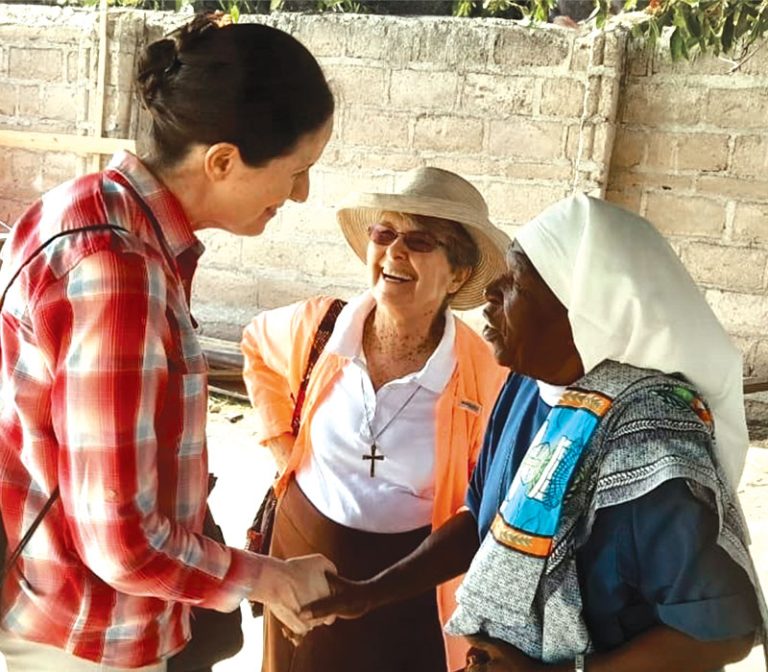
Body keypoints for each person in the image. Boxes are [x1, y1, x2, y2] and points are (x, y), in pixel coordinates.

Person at [304, 194, 767, 672]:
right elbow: (485, 517)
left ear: (584, 310)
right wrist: (371, 592)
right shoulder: (530, 385)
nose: (490, 293)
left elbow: (721, 633)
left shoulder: (650, 442)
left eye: (516, 283)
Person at [0, 13, 336, 672]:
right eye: (297, 170)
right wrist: (270, 578)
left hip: (61, 608)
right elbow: (120, 542)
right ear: (222, 161)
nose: (300, 193)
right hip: (86, 639)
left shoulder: (87, 205)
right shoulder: (116, 272)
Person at [240, 167, 511, 672]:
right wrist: (282, 443)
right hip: (304, 555)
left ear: (456, 274)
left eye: (420, 241)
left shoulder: (483, 373)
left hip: (409, 580)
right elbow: (256, 346)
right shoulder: (319, 327)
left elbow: (487, 499)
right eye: (384, 234)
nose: (394, 252)